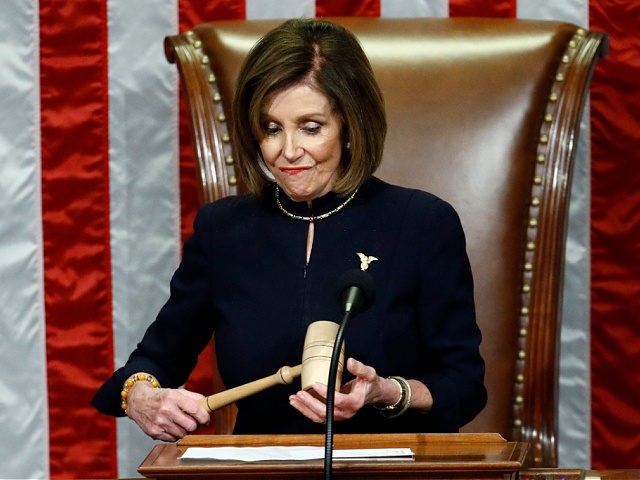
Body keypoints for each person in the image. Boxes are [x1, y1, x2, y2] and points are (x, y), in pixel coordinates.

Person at [92, 18, 486, 442]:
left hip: (390, 466)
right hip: (261, 470)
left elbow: (463, 385)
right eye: (272, 128)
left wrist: (387, 392)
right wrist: (143, 397)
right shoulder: (224, 229)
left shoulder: (422, 222)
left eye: (311, 127)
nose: (289, 151)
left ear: (352, 126)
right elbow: (151, 361)